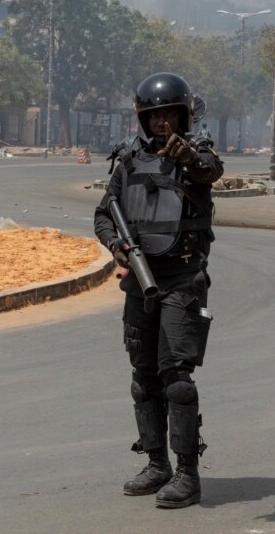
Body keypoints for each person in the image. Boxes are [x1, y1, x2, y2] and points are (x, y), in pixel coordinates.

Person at [94, 72, 223, 509]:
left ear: (183, 117)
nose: (163, 123)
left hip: (181, 278)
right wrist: (118, 248)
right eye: (155, 117)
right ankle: (156, 464)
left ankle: (188, 473)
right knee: (142, 377)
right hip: (139, 278)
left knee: (177, 380)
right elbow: (103, 214)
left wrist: (186, 155)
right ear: (144, 120)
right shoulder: (128, 159)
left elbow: (210, 172)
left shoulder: (198, 155)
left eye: (170, 115)